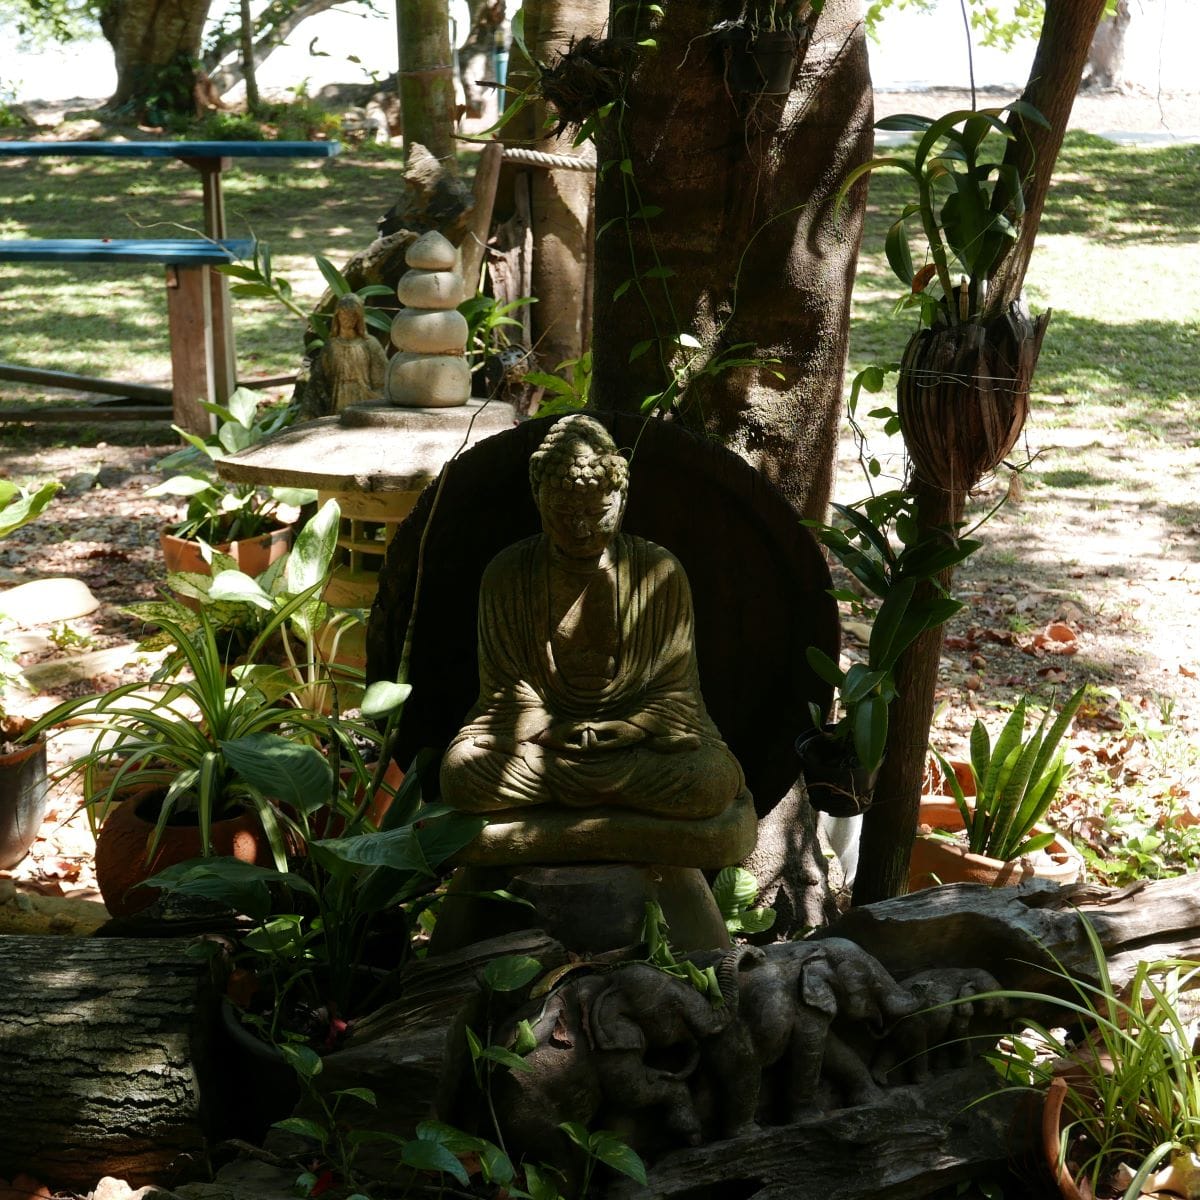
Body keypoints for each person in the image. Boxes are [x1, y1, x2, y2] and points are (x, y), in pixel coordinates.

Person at [440, 414, 747, 819]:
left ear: (622, 499)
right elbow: (504, 695)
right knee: (461, 774)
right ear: (538, 498)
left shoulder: (659, 572)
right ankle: (607, 796)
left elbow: (676, 694)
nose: (581, 528)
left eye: (597, 511)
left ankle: (581, 793)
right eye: (564, 512)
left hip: (632, 746)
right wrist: (551, 731)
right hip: (543, 747)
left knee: (708, 779)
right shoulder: (508, 574)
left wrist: (634, 727)